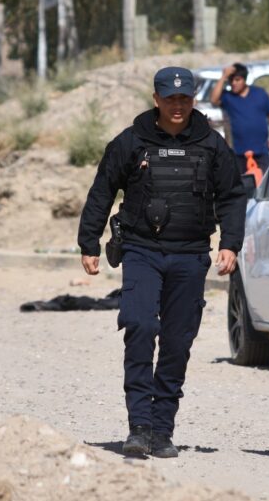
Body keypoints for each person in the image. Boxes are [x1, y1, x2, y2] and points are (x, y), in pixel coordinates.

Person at [78, 66, 246, 458]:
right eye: (170, 98)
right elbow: (102, 191)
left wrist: (230, 243)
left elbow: (232, 196)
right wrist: (89, 243)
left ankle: (161, 428)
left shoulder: (211, 144)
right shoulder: (131, 141)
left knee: (177, 340)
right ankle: (139, 426)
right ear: (156, 99)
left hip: (190, 254)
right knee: (139, 326)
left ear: (193, 99)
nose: (177, 105)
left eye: (184, 98)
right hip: (142, 250)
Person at [209, 63, 269, 174]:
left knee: (265, 180)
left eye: (237, 80)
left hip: (261, 151)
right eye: (231, 80)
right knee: (241, 182)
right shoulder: (228, 97)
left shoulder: (260, 93)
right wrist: (223, 77)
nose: (234, 83)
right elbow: (213, 100)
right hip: (238, 153)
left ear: (244, 79)